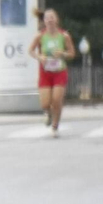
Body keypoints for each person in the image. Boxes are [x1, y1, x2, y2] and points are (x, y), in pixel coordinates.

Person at [30, 8, 76, 137]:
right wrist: (39, 57)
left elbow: (72, 53)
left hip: (59, 72)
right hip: (45, 72)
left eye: (52, 17)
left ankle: (55, 125)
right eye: (47, 18)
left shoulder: (64, 36)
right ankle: (49, 113)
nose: (50, 20)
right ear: (44, 21)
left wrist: (63, 54)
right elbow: (31, 51)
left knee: (57, 100)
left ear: (57, 19)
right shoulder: (40, 36)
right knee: (45, 103)